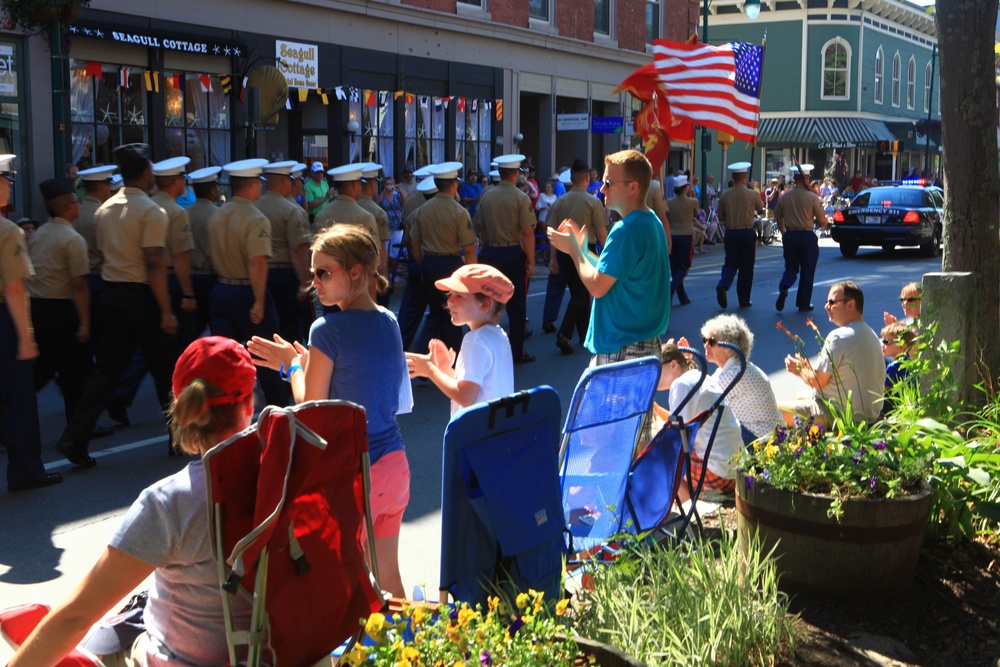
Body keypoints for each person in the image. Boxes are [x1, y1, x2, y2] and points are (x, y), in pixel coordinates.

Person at [8, 336, 255, 666]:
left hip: (181, 659)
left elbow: (75, 618)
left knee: (101, 639)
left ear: (185, 408)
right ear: (249, 404)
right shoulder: (293, 472)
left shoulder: (170, 501)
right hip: (276, 651)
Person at [248, 225, 410, 599]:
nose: (315, 283)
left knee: (347, 587)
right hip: (394, 469)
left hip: (355, 473)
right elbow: (369, 384)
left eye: (324, 272)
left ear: (355, 272)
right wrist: (305, 362)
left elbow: (310, 410)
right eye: (313, 273)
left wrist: (293, 368)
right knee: (389, 580)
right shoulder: (389, 320)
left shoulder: (326, 329)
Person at [56, 144, 179, 468]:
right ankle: (178, 438)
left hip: (111, 293)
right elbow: (154, 264)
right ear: (145, 173)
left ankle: (74, 435)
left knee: (106, 370)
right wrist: (165, 311)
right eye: (151, 169)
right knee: (166, 369)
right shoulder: (153, 212)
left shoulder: (104, 209)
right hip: (141, 295)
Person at [547, 149, 671, 443]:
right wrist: (580, 249)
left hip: (622, 350)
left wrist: (576, 251)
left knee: (602, 443)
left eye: (608, 183)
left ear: (632, 187)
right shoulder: (649, 220)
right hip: (640, 346)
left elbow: (597, 286)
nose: (601, 188)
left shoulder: (625, 230)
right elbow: (609, 272)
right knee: (630, 441)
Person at [0, 154, 62, 491]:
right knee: (19, 400)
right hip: (3, 323)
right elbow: (14, 287)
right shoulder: (7, 231)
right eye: (5, 181)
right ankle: (26, 471)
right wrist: (26, 337)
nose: (8, 187)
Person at [207, 158, 286, 407]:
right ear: (252, 185)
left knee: (224, 360)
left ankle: (224, 412)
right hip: (247, 292)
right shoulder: (256, 218)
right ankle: (280, 413)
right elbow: (257, 263)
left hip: (221, 288)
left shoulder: (217, 215)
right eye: (257, 183)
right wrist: (260, 301)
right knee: (268, 360)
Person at [27, 177, 97, 434]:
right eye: (76, 202)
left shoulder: (38, 234)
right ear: (69, 207)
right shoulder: (72, 238)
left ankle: (7, 418)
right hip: (62, 311)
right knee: (77, 374)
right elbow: (78, 284)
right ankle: (79, 430)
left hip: (37, 309)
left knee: (40, 371)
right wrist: (85, 322)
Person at [406, 264, 515, 417]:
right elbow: (475, 387)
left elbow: (466, 397)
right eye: (450, 294)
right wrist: (444, 370)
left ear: (485, 304)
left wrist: (430, 370)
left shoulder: (474, 340)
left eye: (459, 296)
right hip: (495, 433)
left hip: (475, 436)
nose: (449, 301)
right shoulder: (499, 335)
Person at [779, 281, 885, 426]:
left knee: (774, 411)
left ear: (850, 305)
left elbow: (817, 382)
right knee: (799, 397)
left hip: (840, 415)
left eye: (832, 302)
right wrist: (807, 369)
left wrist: (799, 369)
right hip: (868, 414)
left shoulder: (838, 337)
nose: (826, 306)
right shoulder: (870, 333)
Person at [653, 342, 742, 499]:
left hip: (718, 473)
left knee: (661, 453)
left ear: (673, 365)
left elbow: (678, 438)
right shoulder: (698, 377)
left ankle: (688, 510)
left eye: (656, 370)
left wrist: (654, 426)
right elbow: (683, 423)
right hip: (735, 469)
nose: (653, 376)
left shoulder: (680, 385)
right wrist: (657, 410)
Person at [474, 154, 536, 364]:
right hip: (512, 253)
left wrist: (490, 242)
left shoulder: (486, 195)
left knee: (487, 302)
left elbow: (480, 226)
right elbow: (527, 233)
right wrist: (532, 261)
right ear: (516, 174)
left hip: (490, 252)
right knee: (516, 305)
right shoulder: (521, 197)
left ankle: (484, 349)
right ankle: (517, 351)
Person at [410, 162, 477, 353]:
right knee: (453, 314)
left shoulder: (423, 209)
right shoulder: (459, 212)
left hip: (430, 262)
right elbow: (470, 249)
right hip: (451, 264)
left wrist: (424, 264)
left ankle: (422, 354)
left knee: (434, 312)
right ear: (454, 184)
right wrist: (473, 276)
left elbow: (415, 244)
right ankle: (453, 360)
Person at [546, 159, 607, 355]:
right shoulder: (592, 201)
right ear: (587, 178)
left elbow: (552, 232)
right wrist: (607, 254)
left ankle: (584, 334)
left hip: (564, 250)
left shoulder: (560, 201)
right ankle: (564, 333)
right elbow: (600, 233)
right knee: (581, 294)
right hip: (583, 251)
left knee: (577, 293)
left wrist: (553, 259)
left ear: (571, 179)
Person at [700, 314, 781, 445]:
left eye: (712, 342)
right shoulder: (733, 368)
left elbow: (699, 399)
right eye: (705, 340)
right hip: (766, 436)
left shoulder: (734, 373)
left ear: (730, 349)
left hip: (761, 441)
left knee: (705, 430)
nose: (706, 346)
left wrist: (684, 364)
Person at [257, 161, 313, 346]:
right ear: (285, 182)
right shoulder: (292, 210)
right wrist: (305, 282)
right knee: (290, 329)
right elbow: (297, 249)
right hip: (284, 274)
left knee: (265, 327)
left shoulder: (254, 206)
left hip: (258, 273)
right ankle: (289, 370)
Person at [151, 156, 198, 347]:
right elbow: (180, 256)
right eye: (183, 179)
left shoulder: (147, 206)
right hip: (170, 280)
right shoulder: (177, 212)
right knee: (179, 344)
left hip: (146, 279)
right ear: (177, 182)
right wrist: (188, 294)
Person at [774, 164, 828, 312]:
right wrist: (823, 221)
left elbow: (777, 215)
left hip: (790, 235)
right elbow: (822, 220)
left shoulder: (785, 197)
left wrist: (783, 232)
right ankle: (803, 303)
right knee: (807, 271)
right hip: (806, 235)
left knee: (791, 267)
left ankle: (785, 285)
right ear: (806, 178)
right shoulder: (812, 198)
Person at [396, 175, 439, 350]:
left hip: (418, 261)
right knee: (439, 311)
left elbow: (408, 239)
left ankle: (398, 345)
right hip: (437, 260)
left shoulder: (413, 207)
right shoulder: (446, 209)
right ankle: (424, 349)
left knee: (411, 310)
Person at [715, 161, 764, 309]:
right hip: (747, 231)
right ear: (744, 176)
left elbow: (721, 217)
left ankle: (723, 284)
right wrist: (751, 189)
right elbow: (761, 209)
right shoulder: (752, 194)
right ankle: (744, 299)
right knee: (746, 267)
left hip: (731, 232)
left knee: (730, 263)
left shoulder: (724, 196)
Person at [184, 166, 222, 342]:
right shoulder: (219, 215)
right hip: (212, 277)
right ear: (213, 191)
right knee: (216, 328)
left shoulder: (185, 214)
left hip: (188, 276)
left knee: (192, 328)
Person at [667, 174, 698, 306]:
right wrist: (693, 196)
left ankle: (682, 297)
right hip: (686, 235)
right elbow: (696, 214)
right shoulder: (692, 202)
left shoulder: (668, 202)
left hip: (672, 235)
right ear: (686, 188)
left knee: (675, 267)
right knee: (684, 266)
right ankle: (672, 287)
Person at [881, 321, 917, 415]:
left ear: (901, 346)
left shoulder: (893, 367)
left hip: (895, 412)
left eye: (886, 342)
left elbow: (884, 391)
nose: (883, 345)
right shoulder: (912, 363)